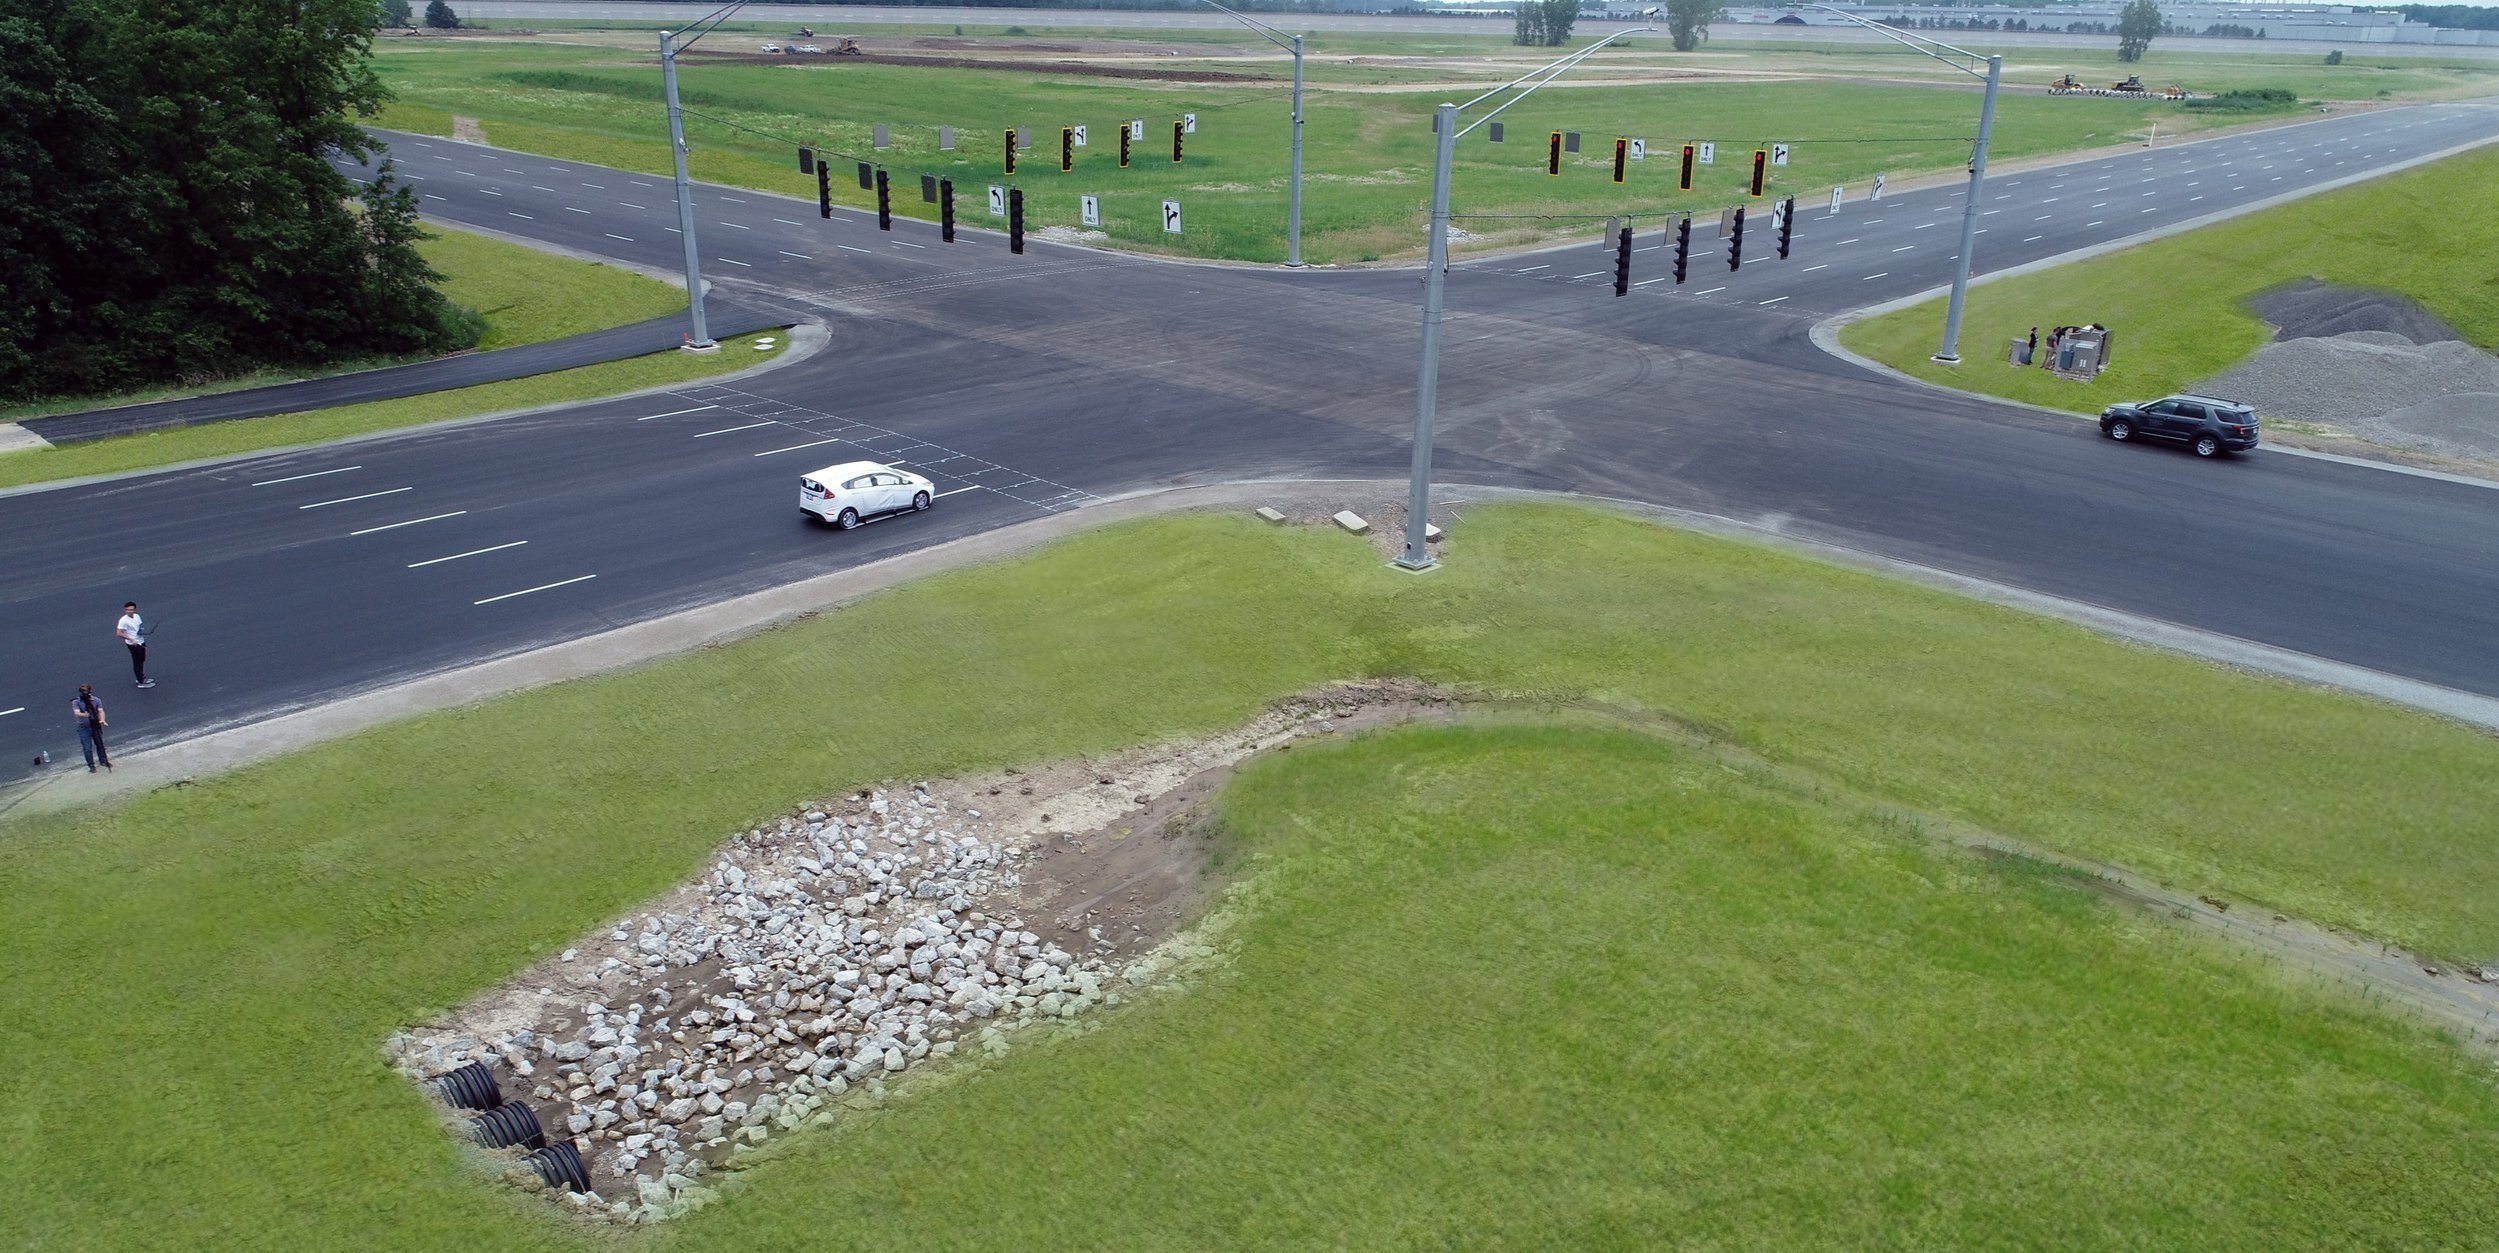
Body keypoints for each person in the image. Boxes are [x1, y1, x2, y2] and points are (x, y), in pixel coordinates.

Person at [72, 684, 111, 772]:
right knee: (87, 747)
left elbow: (100, 711)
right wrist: (84, 714)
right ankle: (91, 765)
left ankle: (103, 760)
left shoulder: (96, 700)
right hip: (83, 727)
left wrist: (102, 720)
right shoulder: (76, 702)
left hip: (95, 725)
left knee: (100, 744)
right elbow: (76, 712)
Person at [117, 600, 153, 688]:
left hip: (140, 640)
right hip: (133, 644)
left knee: (142, 659)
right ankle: (141, 682)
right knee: (137, 662)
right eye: (127, 610)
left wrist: (142, 631)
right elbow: (119, 633)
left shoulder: (137, 616)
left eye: (131, 609)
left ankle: (141, 677)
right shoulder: (123, 620)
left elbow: (138, 627)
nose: (129, 611)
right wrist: (131, 639)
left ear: (135, 610)